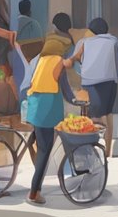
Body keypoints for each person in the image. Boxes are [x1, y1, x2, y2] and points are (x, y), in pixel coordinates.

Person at [24, 29, 83, 205]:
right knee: (45, 150)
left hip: (35, 108)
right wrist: (76, 101)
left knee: (41, 143)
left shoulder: (40, 61)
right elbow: (65, 88)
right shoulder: (58, 61)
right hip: (47, 112)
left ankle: (36, 183)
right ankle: (34, 192)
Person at [66, 18, 118, 153]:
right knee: (108, 114)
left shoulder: (84, 42)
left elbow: (77, 63)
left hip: (88, 81)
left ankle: (89, 148)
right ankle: (108, 150)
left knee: (90, 115)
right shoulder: (115, 42)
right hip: (110, 81)